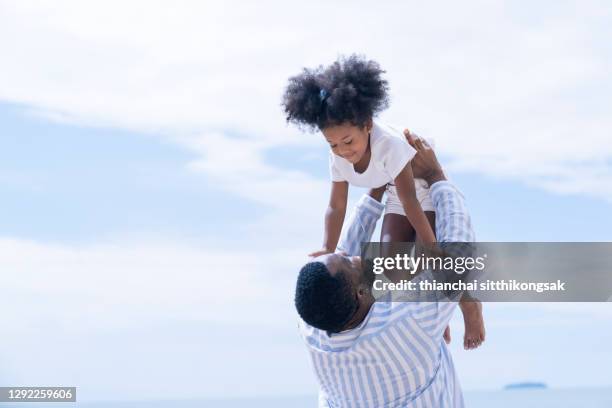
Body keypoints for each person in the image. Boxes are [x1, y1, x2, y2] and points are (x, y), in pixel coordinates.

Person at [282, 54, 484, 349]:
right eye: (333, 144)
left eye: (348, 142)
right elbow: (336, 206)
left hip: (418, 187)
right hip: (393, 193)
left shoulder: (390, 146)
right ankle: (427, 320)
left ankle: (469, 305)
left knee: (430, 263)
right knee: (392, 271)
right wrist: (328, 248)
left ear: (367, 125)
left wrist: (431, 245)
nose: (342, 151)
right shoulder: (338, 157)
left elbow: (410, 201)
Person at [294, 134, 475, 407]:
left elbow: (339, 267)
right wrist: (438, 177)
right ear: (359, 292)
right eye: (351, 262)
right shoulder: (408, 323)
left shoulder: (316, 326)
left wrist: (376, 189)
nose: (354, 255)